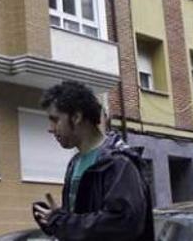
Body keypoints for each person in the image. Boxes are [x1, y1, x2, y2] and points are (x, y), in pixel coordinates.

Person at [31, 81, 153, 241]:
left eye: (55, 120)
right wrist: (55, 221)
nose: (51, 128)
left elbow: (123, 223)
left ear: (76, 117)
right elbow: (84, 221)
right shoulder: (74, 163)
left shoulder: (119, 162)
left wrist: (62, 221)